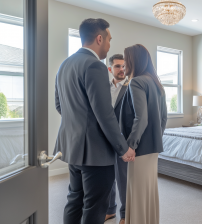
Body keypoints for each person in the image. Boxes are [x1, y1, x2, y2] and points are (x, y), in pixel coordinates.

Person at [53, 18, 135, 224]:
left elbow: (59, 105)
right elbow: (104, 113)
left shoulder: (65, 64)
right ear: (99, 38)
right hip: (95, 153)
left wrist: (79, 125)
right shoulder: (95, 66)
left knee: (74, 199)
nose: (109, 45)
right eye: (109, 39)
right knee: (95, 205)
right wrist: (123, 148)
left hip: (72, 147)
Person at [119, 44, 168, 224]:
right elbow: (164, 118)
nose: (124, 64)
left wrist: (131, 145)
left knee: (137, 191)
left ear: (133, 60)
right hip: (152, 147)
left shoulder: (137, 81)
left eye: (125, 60)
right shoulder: (156, 83)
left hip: (139, 148)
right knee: (148, 190)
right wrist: (155, 138)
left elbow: (141, 118)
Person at [105, 54, 129, 224]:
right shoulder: (104, 88)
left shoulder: (131, 87)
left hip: (123, 140)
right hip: (105, 139)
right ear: (110, 69)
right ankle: (110, 209)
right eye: (118, 66)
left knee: (123, 179)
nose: (122, 69)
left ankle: (126, 214)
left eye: (124, 66)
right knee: (107, 177)